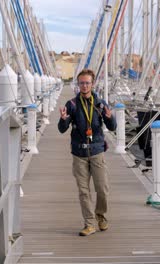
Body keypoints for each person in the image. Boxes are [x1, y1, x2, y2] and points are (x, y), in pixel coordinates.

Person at [58, 68, 117, 236]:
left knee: (102, 189)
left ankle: (101, 216)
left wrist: (110, 117)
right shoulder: (72, 104)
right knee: (84, 191)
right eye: (82, 83)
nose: (84, 86)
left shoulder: (100, 103)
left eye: (87, 83)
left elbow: (113, 127)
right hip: (79, 154)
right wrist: (63, 120)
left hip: (97, 152)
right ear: (78, 84)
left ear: (92, 84)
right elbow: (62, 129)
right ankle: (89, 223)